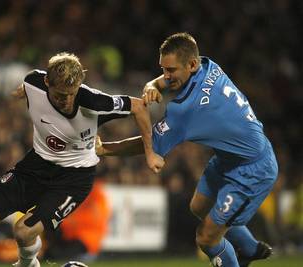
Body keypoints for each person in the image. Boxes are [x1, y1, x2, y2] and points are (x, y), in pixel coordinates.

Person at [0, 52, 164, 267]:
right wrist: (18, 93)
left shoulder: (93, 101)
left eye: (72, 93)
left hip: (73, 179)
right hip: (35, 165)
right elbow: (27, 85)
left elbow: (139, 106)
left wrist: (149, 152)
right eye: (61, 94)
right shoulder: (34, 82)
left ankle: (27, 264)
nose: (67, 100)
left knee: (23, 232)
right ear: (46, 83)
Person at [97, 33, 278, 267]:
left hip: (253, 171)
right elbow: (164, 81)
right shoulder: (209, 65)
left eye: (170, 70)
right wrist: (152, 84)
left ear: (191, 64)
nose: (166, 76)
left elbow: (148, 143)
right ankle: (249, 249)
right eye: (163, 69)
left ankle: (241, 253)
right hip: (229, 158)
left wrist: (105, 149)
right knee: (199, 206)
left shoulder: (186, 111)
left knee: (206, 237)